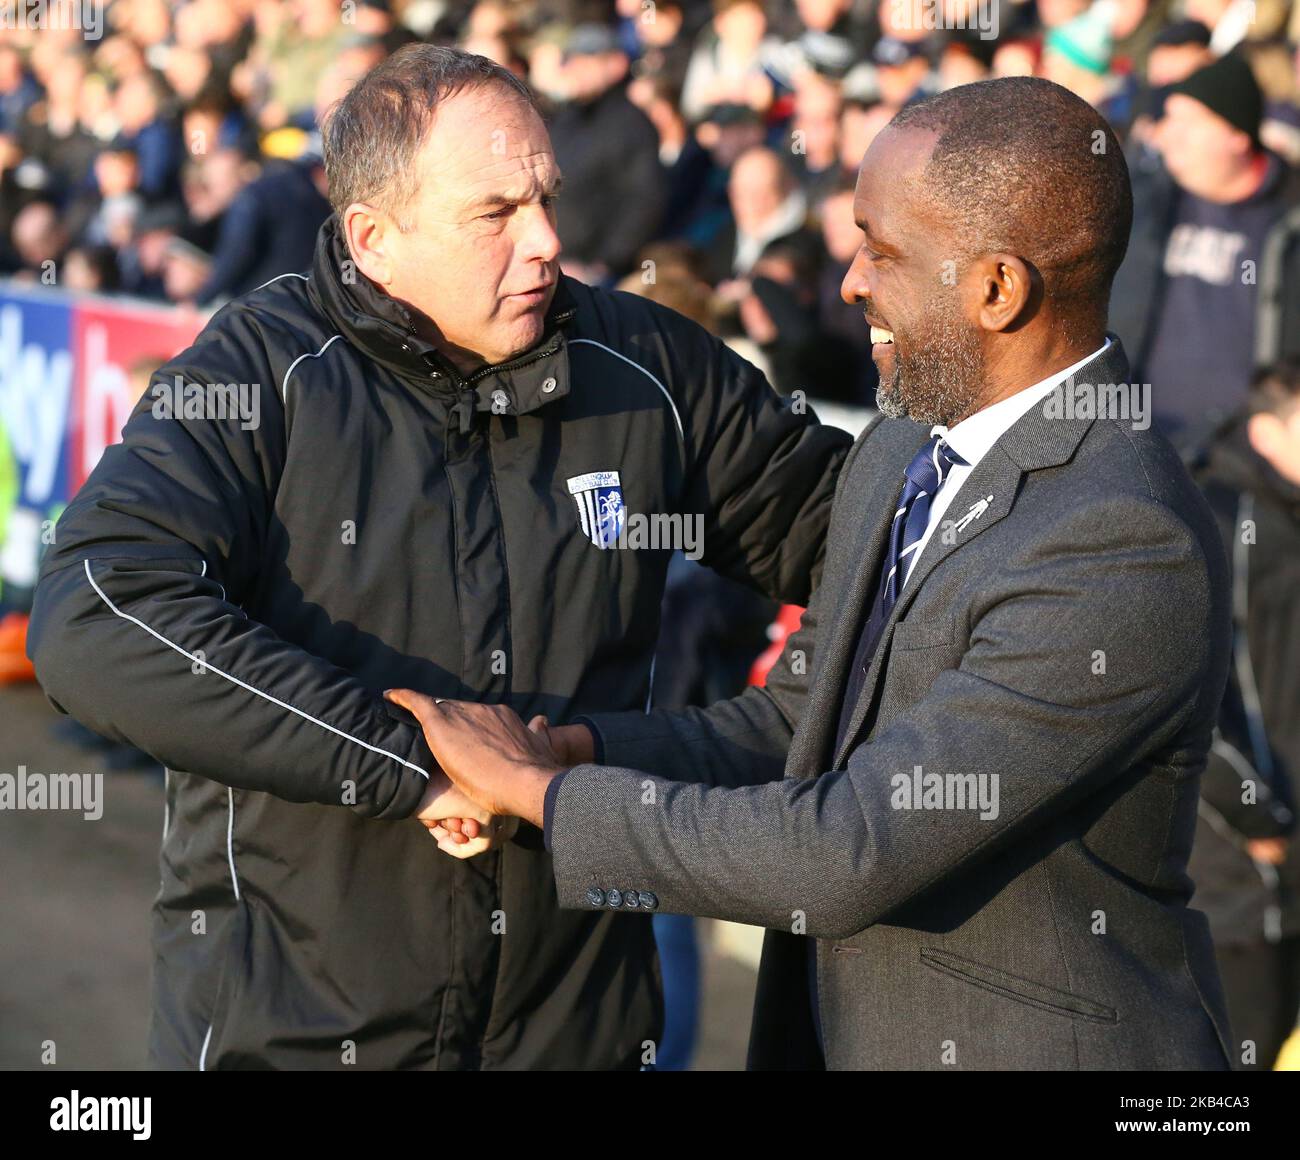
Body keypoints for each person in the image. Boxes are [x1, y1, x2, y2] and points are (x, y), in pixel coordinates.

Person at [27, 45, 850, 1071]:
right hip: (289, 1030)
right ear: (373, 237)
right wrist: (410, 763)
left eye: (545, 197)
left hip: (577, 1031)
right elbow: (99, 610)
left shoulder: (645, 368)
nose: (548, 241)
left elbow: (876, 560)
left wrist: (682, 752)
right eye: (495, 214)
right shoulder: (261, 374)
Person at [392, 77, 1236, 1071]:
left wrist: (538, 791)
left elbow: (846, 846)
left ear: (996, 289)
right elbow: (798, 723)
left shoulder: (1122, 539)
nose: (848, 281)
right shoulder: (901, 447)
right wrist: (572, 746)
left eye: (880, 249)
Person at [1189, 361, 1300, 1070]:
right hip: (1241, 872)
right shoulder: (1221, 518)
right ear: (1265, 431)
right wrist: (1261, 822)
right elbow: (1188, 699)